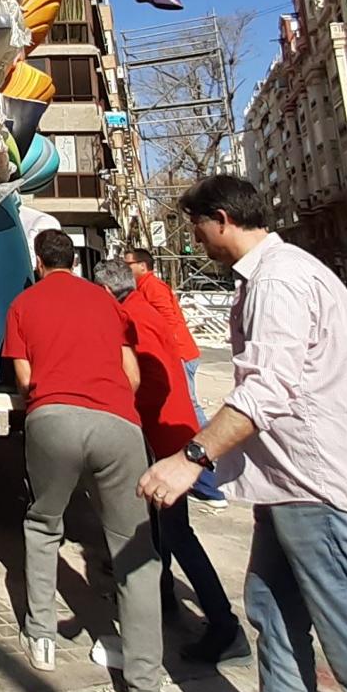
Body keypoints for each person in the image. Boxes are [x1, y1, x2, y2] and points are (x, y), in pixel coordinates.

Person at [140, 177, 347, 692]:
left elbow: (267, 389)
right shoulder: (276, 275)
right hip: (291, 491)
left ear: (220, 218)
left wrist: (190, 458)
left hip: (324, 495)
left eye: (197, 228)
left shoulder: (280, 281)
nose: (196, 242)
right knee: (271, 613)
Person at [6, 230, 171, 692]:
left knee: (43, 525)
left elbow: (26, 380)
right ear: (76, 261)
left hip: (53, 417)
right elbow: (133, 374)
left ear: (38, 262)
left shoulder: (24, 303)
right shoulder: (105, 300)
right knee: (133, 549)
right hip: (117, 423)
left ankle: (42, 638)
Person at [95, 258, 247, 666]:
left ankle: (224, 627)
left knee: (177, 533)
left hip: (164, 435)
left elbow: (153, 381)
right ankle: (161, 597)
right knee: (161, 528)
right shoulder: (141, 310)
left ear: (109, 291)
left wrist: (123, 401)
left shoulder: (133, 318)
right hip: (167, 431)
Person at [123, 248, 225, 506]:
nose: (126, 268)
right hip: (178, 353)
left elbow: (165, 320)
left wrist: (167, 350)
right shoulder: (147, 286)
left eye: (129, 264)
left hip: (179, 355)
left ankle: (206, 477)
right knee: (188, 410)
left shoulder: (151, 288)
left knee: (187, 413)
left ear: (143, 266)